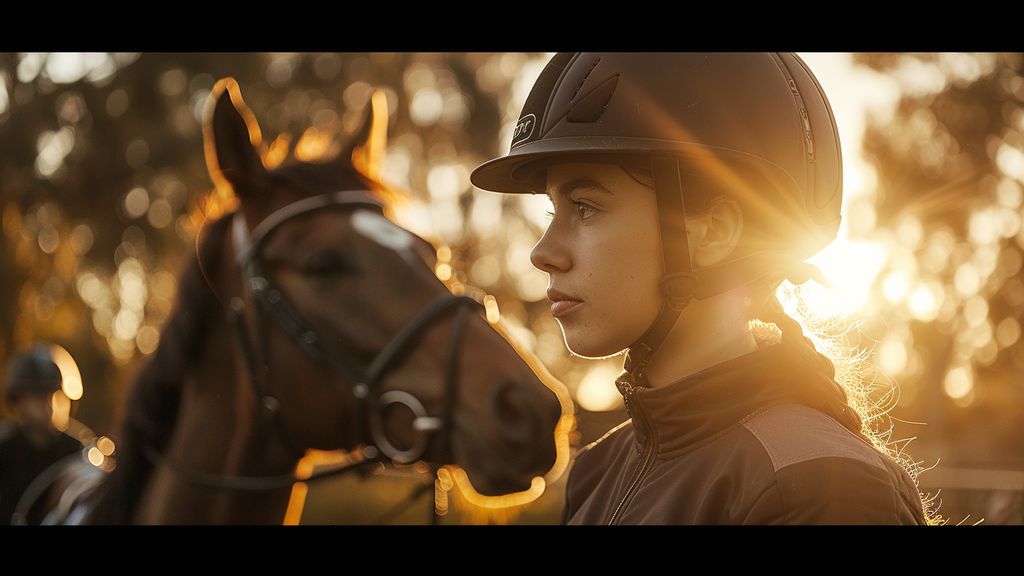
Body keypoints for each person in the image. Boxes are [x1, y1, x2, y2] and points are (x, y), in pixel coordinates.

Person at [471, 52, 934, 524]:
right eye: (553, 212)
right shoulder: (598, 468)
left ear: (713, 233)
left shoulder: (824, 486)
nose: (543, 252)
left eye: (586, 207)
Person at [0, 344, 83, 524]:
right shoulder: (4, 452)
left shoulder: (79, 453)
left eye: (56, 396)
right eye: (40, 397)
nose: (50, 406)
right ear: (19, 401)